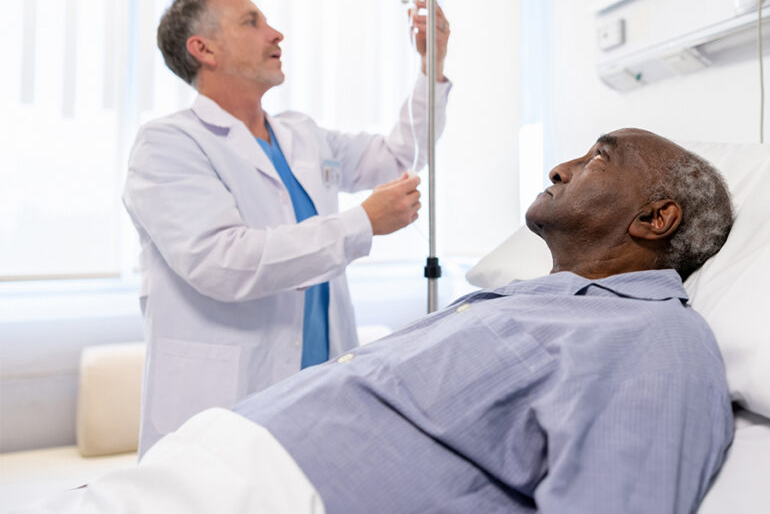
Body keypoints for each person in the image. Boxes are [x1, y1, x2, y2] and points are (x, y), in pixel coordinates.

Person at [28, 129, 733, 514]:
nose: (560, 164)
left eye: (599, 156)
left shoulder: (651, 338)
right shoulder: (530, 301)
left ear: (654, 218)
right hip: (194, 469)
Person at [122, 0, 453, 456]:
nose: (276, 34)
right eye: (251, 22)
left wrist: (431, 66)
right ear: (203, 49)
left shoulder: (302, 135)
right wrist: (362, 222)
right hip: (225, 403)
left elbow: (400, 155)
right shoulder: (168, 145)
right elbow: (221, 261)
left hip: (318, 387)